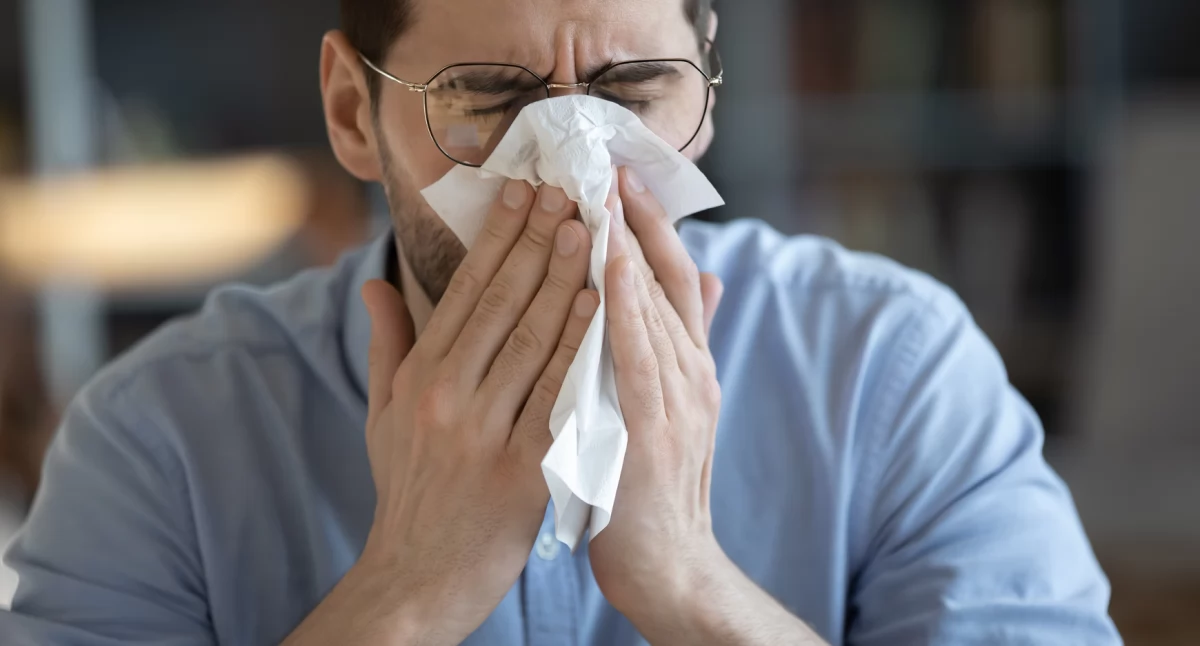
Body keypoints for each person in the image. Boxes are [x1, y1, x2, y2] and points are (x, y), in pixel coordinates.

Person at [0, 0, 1122, 644]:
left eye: (634, 93)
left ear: (709, 94)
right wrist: (411, 586)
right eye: (488, 97)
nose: (578, 173)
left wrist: (688, 581)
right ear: (354, 112)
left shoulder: (895, 372)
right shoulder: (156, 440)